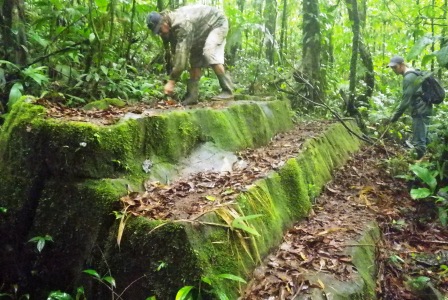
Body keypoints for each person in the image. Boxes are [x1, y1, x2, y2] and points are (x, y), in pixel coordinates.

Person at [146, 5, 234, 105]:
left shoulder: (183, 24)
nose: (160, 34)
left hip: (217, 23)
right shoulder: (171, 28)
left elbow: (181, 59)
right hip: (199, 30)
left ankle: (228, 90)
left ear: (164, 22)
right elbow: (177, 52)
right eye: (157, 32)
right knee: (194, 60)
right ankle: (192, 96)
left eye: (159, 30)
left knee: (209, 52)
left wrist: (171, 81)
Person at [387, 55, 432, 159]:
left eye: (395, 67)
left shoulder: (408, 77)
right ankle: (428, 162)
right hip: (426, 108)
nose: (393, 70)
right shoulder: (414, 72)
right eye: (392, 68)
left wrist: (394, 118)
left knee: (419, 141)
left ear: (402, 65)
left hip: (420, 110)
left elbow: (405, 102)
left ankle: (420, 169)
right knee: (425, 137)